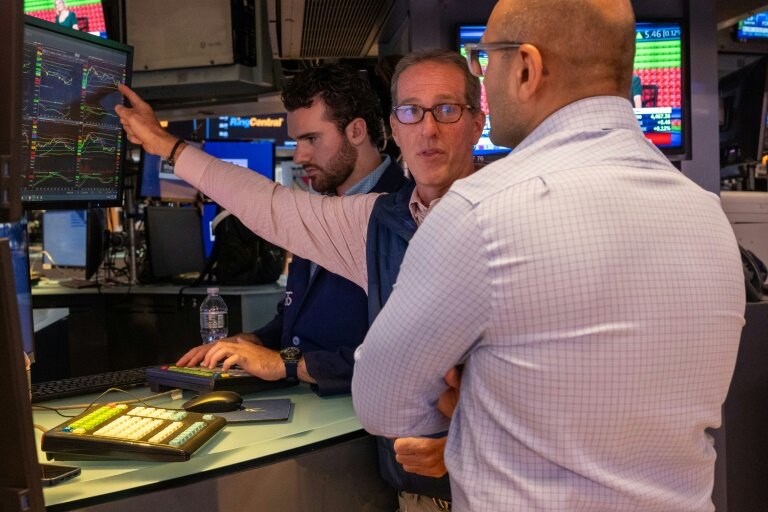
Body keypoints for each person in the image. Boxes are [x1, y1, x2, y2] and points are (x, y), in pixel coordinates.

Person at [351, 1, 746, 511]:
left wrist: (467, 408)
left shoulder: (480, 213)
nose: (484, 79)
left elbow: (382, 402)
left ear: (526, 68)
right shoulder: (708, 217)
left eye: (484, 59)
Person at [116, 50, 485, 511]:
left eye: (447, 110)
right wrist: (166, 146)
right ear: (394, 125)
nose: (428, 129)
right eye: (411, 111)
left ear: (477, 122)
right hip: (415, 488)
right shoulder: (375, 221)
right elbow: (267, 204)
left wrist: (464, 450)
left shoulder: (512, 216)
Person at [176, 64, 407, 396]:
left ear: (356, 131)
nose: (299, 155)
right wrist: (252, 342)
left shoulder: (402, 213)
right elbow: (294, 314)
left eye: (311, 139)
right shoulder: (317, 205)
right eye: (297, 141)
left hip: (360, 419)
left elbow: (401, 356)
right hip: (307, 405)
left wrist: (283, 364)